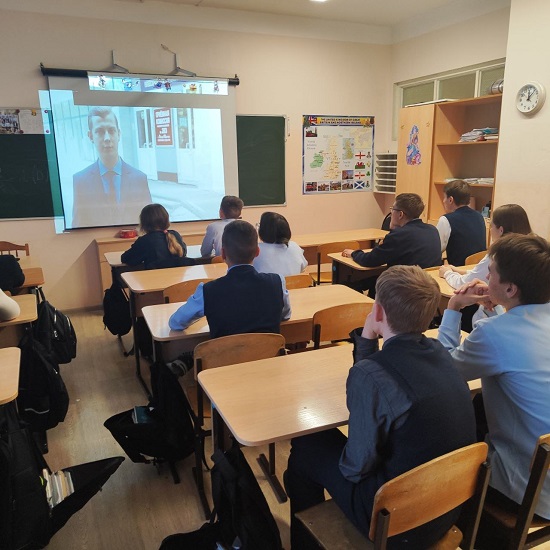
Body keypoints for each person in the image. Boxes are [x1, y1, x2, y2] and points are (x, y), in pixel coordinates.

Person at [284, 265, 476, 548]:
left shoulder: (373, 375)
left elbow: (355, 468)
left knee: (306, 446)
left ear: (378, 312)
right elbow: (374, 378)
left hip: (393, 523)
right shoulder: (440, 352)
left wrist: (366, 337)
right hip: (445, 509)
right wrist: (368, 341)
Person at [438, 233, 550, 522]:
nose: (486, 276)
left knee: (440, 429)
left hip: (530, 489)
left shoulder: (494, 333)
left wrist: (453, 308)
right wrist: (499, 309)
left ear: (511, 288)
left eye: (492, 271)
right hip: (544, 467)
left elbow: (444, 371)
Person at [169, 220, 291, 337]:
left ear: (223, 254)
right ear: (257, 252)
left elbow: (176, 323)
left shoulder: (207, 291)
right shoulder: (277, 283)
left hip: (225, 352)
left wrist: (202, 313)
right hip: (267, 351)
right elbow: (285, 315)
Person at [439, 204, 532, 327]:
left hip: (495, 316)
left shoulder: (499, 254)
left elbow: (464, 283)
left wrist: (447, 273)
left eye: (491, 226)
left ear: (501, 230)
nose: (490, 230)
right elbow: (481, 273)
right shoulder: (530, 252)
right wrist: (459, 270)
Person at [342, 193, 441, 295]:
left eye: (392, 209)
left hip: (404, 288)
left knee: (359, 284)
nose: (391, 213)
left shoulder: (398, 236)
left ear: (400, 214)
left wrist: (354, 253)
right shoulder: (432, 230)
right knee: (372, 281)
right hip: (427, 287)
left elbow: (369, 260)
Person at [72, 107, 152, 228]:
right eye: (100, 132)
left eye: (111, 130)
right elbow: (78, 225)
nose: (107, 138)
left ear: (118, 134)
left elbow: (150, 225)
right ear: (90, 136)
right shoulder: (80, 181)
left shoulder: (139, 178)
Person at [121, 204, 195, 269]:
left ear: (144, 223)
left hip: (155, 279)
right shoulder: (175, 235)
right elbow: (183, 253)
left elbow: (126, 259)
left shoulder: (145, 241)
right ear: (166, 219)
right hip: (178, 279)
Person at [436, 179, 487, 266]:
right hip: (478, 268)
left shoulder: (446, 219)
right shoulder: (479, 216)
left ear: (450, 200)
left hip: (458, 270)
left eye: (444, 197)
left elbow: (436, 249)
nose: (443, 201)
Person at [252, 212, 307, 277]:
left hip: (268, 284)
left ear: (262, 231)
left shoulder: (256, 250)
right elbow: (303, 267)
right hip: (295, 283)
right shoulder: (294, 246)